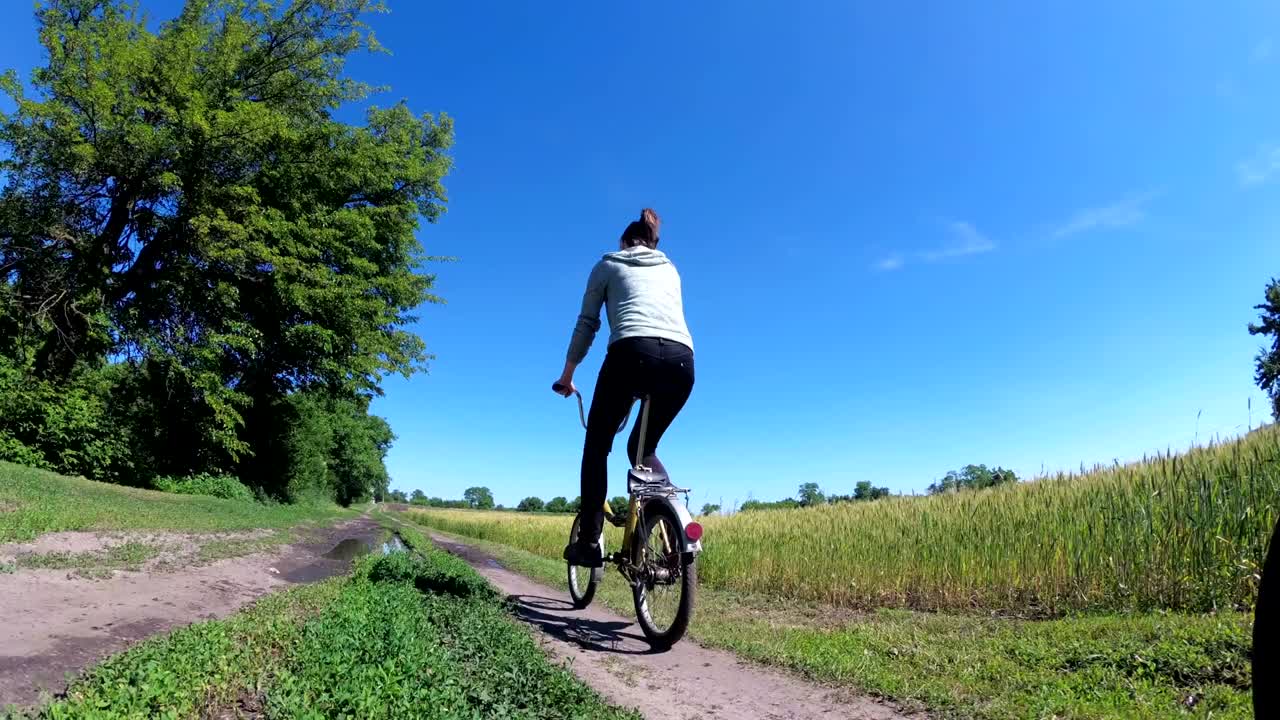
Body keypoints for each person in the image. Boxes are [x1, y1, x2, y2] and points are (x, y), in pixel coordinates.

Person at [553, 208, 695, 568]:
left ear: (624, 243)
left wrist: (568, 376)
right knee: (642, 448)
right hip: (682, 362)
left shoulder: (607, 265)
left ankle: (589, 542)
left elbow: (587, 324)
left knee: (597, 445)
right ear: (650, 242)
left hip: (631, 355)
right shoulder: (669, 268)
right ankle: (666, 522)